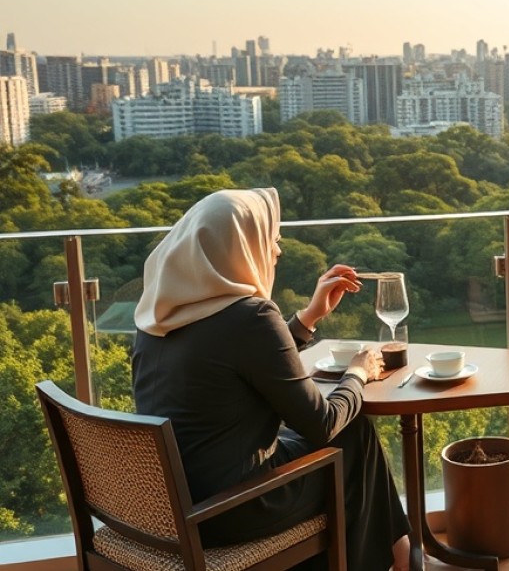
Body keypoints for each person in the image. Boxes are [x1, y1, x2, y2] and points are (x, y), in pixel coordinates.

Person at [131, 187, 412, 571]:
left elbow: (238, 365)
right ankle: (401, 560)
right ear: (238, 246)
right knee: (353, 433)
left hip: (172, 505)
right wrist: (358, 373)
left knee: (339, 439)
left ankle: (401, 559)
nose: (277, 251)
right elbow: (322, 424)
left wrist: (309, 317)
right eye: (271, 240)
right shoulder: (250, 317)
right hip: (232, 508)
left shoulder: (155, 318)